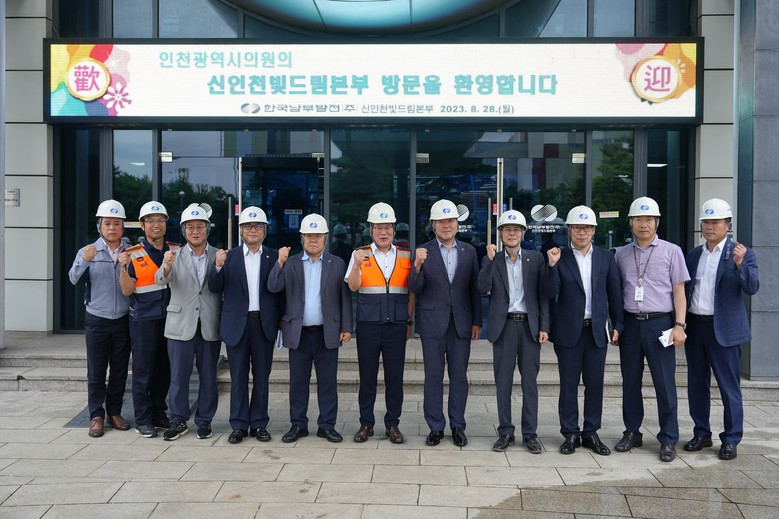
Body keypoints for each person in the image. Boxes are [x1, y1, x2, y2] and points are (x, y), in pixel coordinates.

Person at [614, 196, 690, 462]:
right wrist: (616, 325)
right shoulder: (621, 254)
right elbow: (616, 293)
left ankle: (668, 438)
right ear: (631, 223)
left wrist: (680, 325)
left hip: (661, 324)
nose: (643, 224)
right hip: (630, 325)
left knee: (664, 383)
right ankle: (632, 432)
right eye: (638, 219)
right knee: (630, 381)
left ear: (657, 222)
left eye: (649, 219)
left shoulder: (672, 251)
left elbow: (679, 292)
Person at [683, 198, 759, 460]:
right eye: (706, 222)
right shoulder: (694, 254)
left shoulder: (742, 253)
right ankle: (701, 433)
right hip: (696, 327)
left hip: (724, 331)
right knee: (696, 385)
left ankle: (731, 438)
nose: (710, 226)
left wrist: (740, 264)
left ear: (728, 225)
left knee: (729, 388)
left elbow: (752, 287)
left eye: (715, 222)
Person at [545, 206, 624, 455]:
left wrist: (618, 324)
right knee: (568, 385)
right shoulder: (559, 256)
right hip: (568, 332)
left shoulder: (605, 257)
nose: (582, 232)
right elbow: (549, 292)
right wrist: (551, 266)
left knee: (595, 384)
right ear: (569, 230)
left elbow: (614, 293)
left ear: (594, 230)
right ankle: (570, 433)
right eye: (577, 227)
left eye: (587, 227)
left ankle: (591, 432)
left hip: (596, 331)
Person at [268, 213, 353, 443]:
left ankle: (327, 425)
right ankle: (298, 425)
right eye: (308, 236)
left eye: (317, 235)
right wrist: (279, 262)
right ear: (301, 238)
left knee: (328, 383)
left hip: (327, 332)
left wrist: (347, 326)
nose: (313, 240)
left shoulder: (337, 263)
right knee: (298, 383)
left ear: (325, 237)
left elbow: (344, 297)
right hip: (299, 334)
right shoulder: (291, 263)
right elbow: (273, 286)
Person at [208, 206, 284, 444]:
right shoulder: (228, 257)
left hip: (264, 324)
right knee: (238, 377)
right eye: (248, 226)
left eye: (258, 226)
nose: (253, 230)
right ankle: (239, 425)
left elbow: (281, 293)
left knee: (262, 377)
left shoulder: (274, 257)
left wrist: (282, 323)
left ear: (265, 230)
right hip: (236, 326)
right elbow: (214, 286)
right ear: (241, 230)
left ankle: (259, 424)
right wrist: (217, 266)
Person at [410, 199, 482, 447]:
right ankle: (435, 427)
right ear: (433, 224)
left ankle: (457, 425)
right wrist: (417, 266)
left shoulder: (469, 251)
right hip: (432, 323)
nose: (446, 225)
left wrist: (477, 321)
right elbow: (414, 288)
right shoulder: (423, 251)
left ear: (457, 223)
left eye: (450, 220)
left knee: (459, 377)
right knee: (433, 376)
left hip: (461, 323)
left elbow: (474, 289)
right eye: (441, 221)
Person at [477, 210, 549, 453]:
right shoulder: (493, 259)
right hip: (504, 327)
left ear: (522, 233)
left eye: (516, 229)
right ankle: (505, 432)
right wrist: (488, 261)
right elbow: (482, 287)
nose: (511, 233)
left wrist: (544, 326)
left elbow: (543, 296)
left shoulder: (535, 259)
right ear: (500, 233)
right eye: (507, 229)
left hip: (529, 327)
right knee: (503, 384)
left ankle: (530, 434)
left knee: (530, 384)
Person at [346, 203, 414, 444]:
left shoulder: (406, 255)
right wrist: (356, 264)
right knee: (367, 377)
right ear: (371, 230)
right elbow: (353, 287)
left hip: (396, 325)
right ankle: (366, 424)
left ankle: (392, 424)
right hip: (369, 325)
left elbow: (411, 291)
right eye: (378, 227)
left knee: (395, 378)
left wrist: (409, 321)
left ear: (394, 230)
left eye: (387, 227)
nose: (383, 232)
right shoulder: (360, 253)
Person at [155, 203, 221, 441]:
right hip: (180, 324)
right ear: (184, 231)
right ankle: (178, 420)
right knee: (178, 377)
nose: (195, 231)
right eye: (190, 227)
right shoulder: (174, 255)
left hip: (209, 324)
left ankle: (204, 420)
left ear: (207, 229)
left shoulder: (218, 255)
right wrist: (166, 265)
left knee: (208, 377)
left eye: (200, 227)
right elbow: (160, 279)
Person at [68, 199, 132, 438]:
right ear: (99, 226)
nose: (112, 228)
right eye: (107, 223)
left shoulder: (131, 251)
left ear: (123, 226)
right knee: (96, 372)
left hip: (123, 319)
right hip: (97, 319)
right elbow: (73, 278)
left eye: (116, 223)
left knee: (119, 371)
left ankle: (114, 412)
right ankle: (96, 415)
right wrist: (84, 259)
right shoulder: (88, 251)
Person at [119, 201, 177, 438]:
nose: (156, 225)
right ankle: (143, 419)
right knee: (143, 370)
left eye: (160, 220)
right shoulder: (132, 254)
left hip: (171, 317)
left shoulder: (176, 249)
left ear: (166, 223)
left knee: (165, 369)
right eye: (150, 221)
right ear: (142, 225)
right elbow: (126, 290)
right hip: (144, 319)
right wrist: (123, 269)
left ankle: (159, 412)